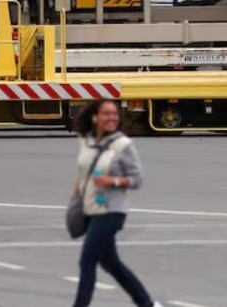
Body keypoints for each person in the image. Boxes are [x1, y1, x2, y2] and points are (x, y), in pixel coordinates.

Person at [70, 99, 162, 307]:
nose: (111, 117)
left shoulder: (123, 145)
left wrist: (113, 181)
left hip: (111, 211)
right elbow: (83, 171)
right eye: (106, 113)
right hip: (91, 209)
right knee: (111, 263)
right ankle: (147, 304)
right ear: (95, 117)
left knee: (87, 261)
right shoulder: (86, 141)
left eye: (114, 114)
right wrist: (76, 197)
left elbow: (138, 179)